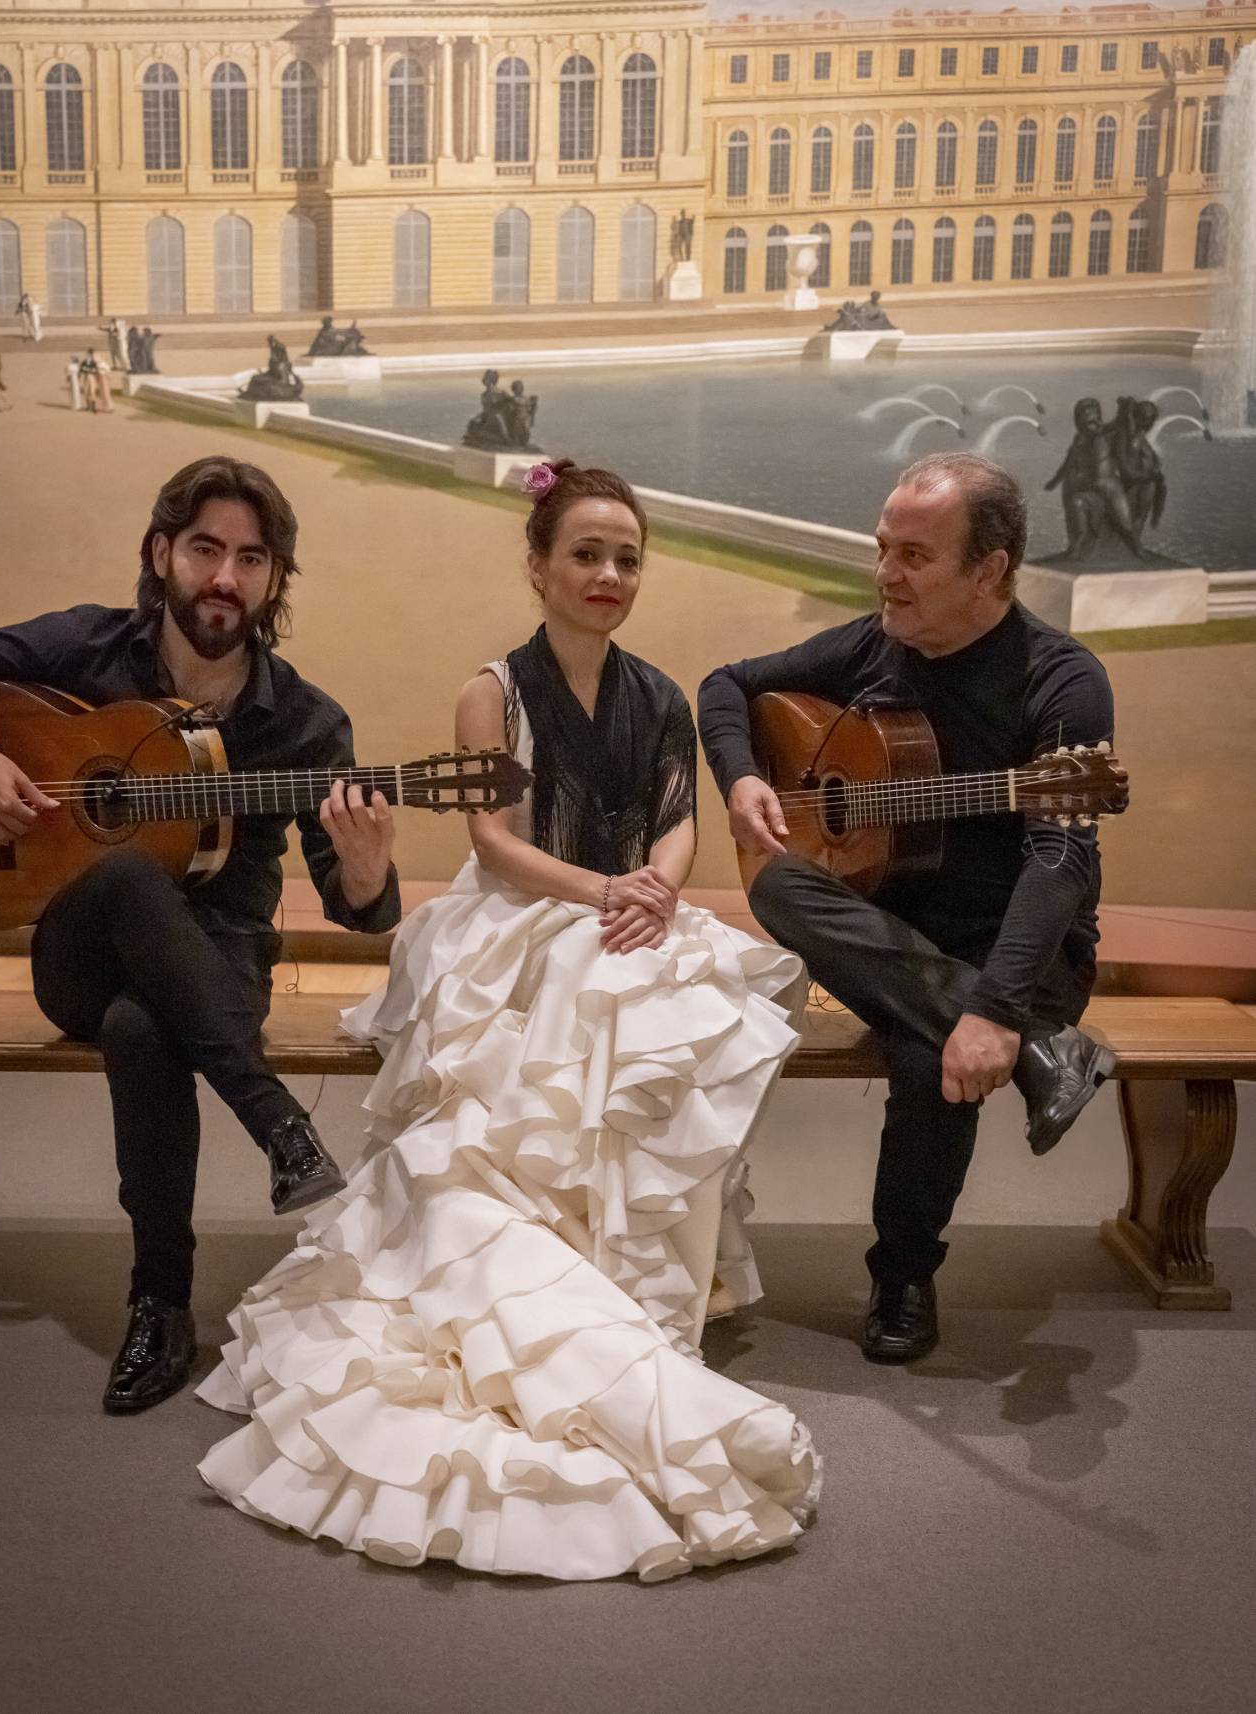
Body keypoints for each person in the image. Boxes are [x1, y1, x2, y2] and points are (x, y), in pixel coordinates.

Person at [197, 459, 820, 1582]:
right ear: (537, 565)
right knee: (548, 1056)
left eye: (626, 557)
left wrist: (658, 889)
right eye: (584, 552)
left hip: (632, 909)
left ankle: (620, 1285)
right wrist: (603, 893)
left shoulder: (658, 692)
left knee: (682, 1007)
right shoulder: (495, 689)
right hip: (519, 916)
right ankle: (553, 1291)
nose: (607, 573)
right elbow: (491, 843)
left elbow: (678, 823)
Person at [0, 456, 401, 1414]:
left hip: (224, 960)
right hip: (76, 952)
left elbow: (358, 903)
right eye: (205, 549)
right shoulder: (87, 650)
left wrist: (366, 870)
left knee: (141, 1028)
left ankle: (158, 1299)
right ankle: (276, 1122)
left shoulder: (309, 722)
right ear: (161, 553)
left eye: (251, 558)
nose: (225, 579)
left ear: (275, 579)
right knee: (122, 873)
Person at [698, 452, 1116, 1366]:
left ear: (990, 570)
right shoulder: (873, 646)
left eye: (915, 556)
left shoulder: (1061, 681)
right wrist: (739, 778)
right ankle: (1052, 1062)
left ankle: (902, 1276)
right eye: (882, 548)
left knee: (936, 1051)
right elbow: (725, 685)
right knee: (775, 880)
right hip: (895, 930)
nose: (886, 574)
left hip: (1023, 948)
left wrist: (998, 1009)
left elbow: (1059, 862)